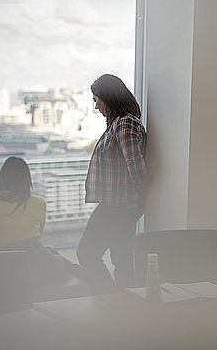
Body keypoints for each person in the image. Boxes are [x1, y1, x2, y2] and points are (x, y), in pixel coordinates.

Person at [78, 74, 147, 288]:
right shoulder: (118, 123)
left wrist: (138, 202)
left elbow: (136, 166)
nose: (96, 106)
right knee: (122, 258)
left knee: (86, 253)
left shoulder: (125, 124)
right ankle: (123, 304)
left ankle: (110, 298)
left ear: (108, 98)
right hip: (119, 204)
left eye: (97, 99)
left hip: (119, 205)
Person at [0, 156, 76, 284]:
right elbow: (38, 235)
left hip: (4, 261)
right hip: (32, 261)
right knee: (58, 258)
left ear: (2, 177)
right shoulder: (39, 202)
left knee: (51, 253)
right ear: (27, 179)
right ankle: (95, 280)